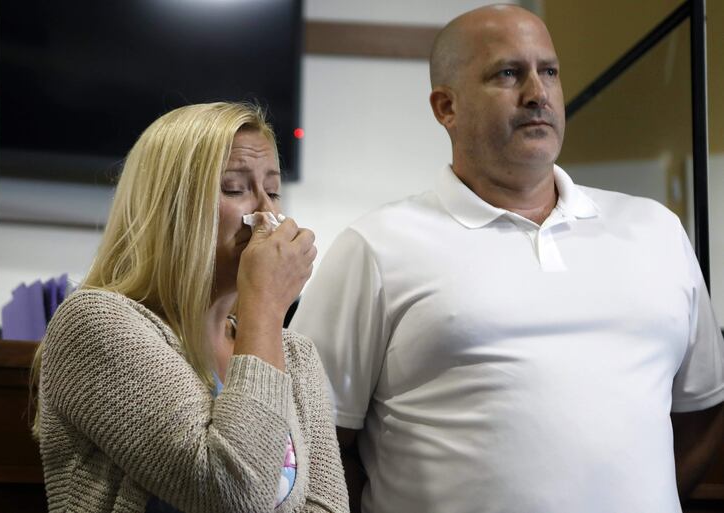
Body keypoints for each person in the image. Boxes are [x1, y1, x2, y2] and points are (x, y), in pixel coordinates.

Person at [290, 5, 724, 513]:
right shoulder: (375, 246)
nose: (538, 94)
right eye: (509, 73)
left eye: (550, 72)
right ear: (445, 107)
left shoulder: (656, 230)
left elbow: (703, 413)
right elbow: (316, 449)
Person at [30, 102, 349, 513]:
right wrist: (265, 306)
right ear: (171, 208)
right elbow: (230, 493)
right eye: (235, 188)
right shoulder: (94, 323)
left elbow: (327, 507)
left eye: (272, 192)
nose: (268, 215)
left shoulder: (296, 354)